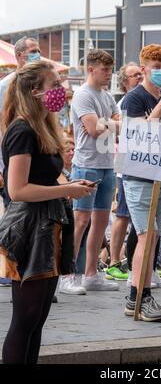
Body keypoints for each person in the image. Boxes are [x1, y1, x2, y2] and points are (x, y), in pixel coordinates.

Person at [0, 61, 94, 364]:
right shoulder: (22, 130)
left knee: (37, 316)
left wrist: (68, 184)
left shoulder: (43, 126)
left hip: (48, 224)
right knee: (26, 317)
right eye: (54, 84)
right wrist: (67, 190)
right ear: (34, 90)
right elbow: (18, 191)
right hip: (29, 230)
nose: (61, 89)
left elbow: (44, 179)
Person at [121, 44, 161, 321]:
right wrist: (159, 107)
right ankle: (137, 297)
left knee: (154, 236)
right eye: (156, 67)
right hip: (139, 176)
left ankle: (144, 296)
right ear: (144, 69)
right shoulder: (135, 98)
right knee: (145, 236)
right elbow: (136, 134)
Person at [59, 49, 120, 294]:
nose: (108, 75)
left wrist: (110, 123)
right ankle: (66, 274)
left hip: (107, 163)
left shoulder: (106, 96)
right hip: (87, 163)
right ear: (91, 69)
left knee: (100, 221)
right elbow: (94, 129)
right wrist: (112, 123)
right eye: (105, 70)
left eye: (110, 70)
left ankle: (91, 273)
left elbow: (115, 121)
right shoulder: (83, 95)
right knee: (80, 220)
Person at [0, 36, 41, 287]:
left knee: (32, 219)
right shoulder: (6, 87)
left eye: (39, 51)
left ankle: (30, 270)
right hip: (11, 159)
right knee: (14, 217)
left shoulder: (41, 83)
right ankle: (11, 269)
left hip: (36, 162)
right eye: (33, 52)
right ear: (19, 56)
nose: (38, 55)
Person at [105, 62, 143, 281]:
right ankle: (113, 261)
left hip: (143, 166)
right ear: (124, 81)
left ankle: (142, 262)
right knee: (122, 215)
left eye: (140, 73)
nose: (138, 77)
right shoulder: (124, 104)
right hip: (126, 168)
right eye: (133, 75)